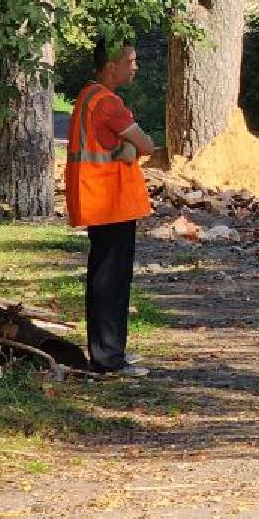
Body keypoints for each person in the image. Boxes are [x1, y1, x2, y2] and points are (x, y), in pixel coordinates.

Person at [65, 41, 157, 377]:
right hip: (109, 202)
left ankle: (110, 352)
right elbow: (147, 144)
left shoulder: (90, 97)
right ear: (110, 66)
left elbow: (135, 146)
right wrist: (134, 145)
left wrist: (130, 145)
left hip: (104, 201)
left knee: (109, 278)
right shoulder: (106, 102)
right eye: (131, 61)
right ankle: (107, 358)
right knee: (110, 281)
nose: (135, 67)